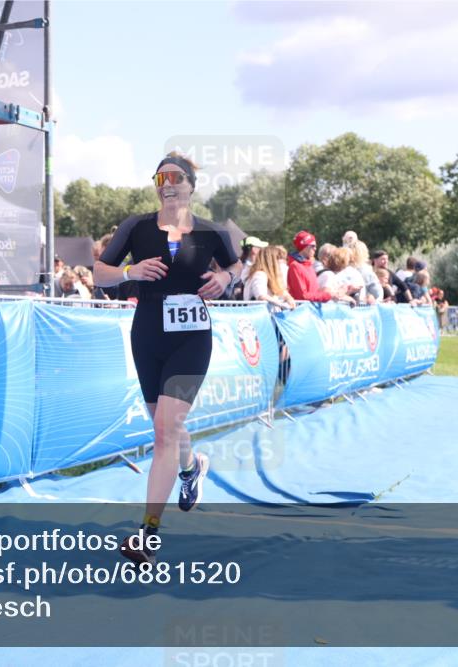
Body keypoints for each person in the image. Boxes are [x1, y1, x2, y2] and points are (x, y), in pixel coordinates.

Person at [93, 152, 240, 565]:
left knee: (164, 431)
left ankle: (147, 535)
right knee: (168, 430)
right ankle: (192, 468)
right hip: (148, 335)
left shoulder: (212, 232)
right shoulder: (136, 227)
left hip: (192, 338)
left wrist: (226, 277)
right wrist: (129, 272)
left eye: (176, 176)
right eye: (160, 177)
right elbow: (98, 272)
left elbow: (238, 265)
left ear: (191, 185)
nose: (167, 183)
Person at [243, 246, 296, 310]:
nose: (281, 261)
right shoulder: (259, 274)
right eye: (278, 258)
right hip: (259, 316)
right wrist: (281, 304)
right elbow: (261, 296)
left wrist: (289, 298)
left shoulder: (271, 276)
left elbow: (281, 291)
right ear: (271, 260)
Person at [287, 231, 334, 303]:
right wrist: (327, 295)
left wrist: (334, 294)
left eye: (315, 246)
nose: (315, 248)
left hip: (311, 310)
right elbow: (302, 296)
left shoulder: (309, 265)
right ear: (304, 246)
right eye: (312, 246)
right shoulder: (295, 266)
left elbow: (314, 291)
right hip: (302, 311)